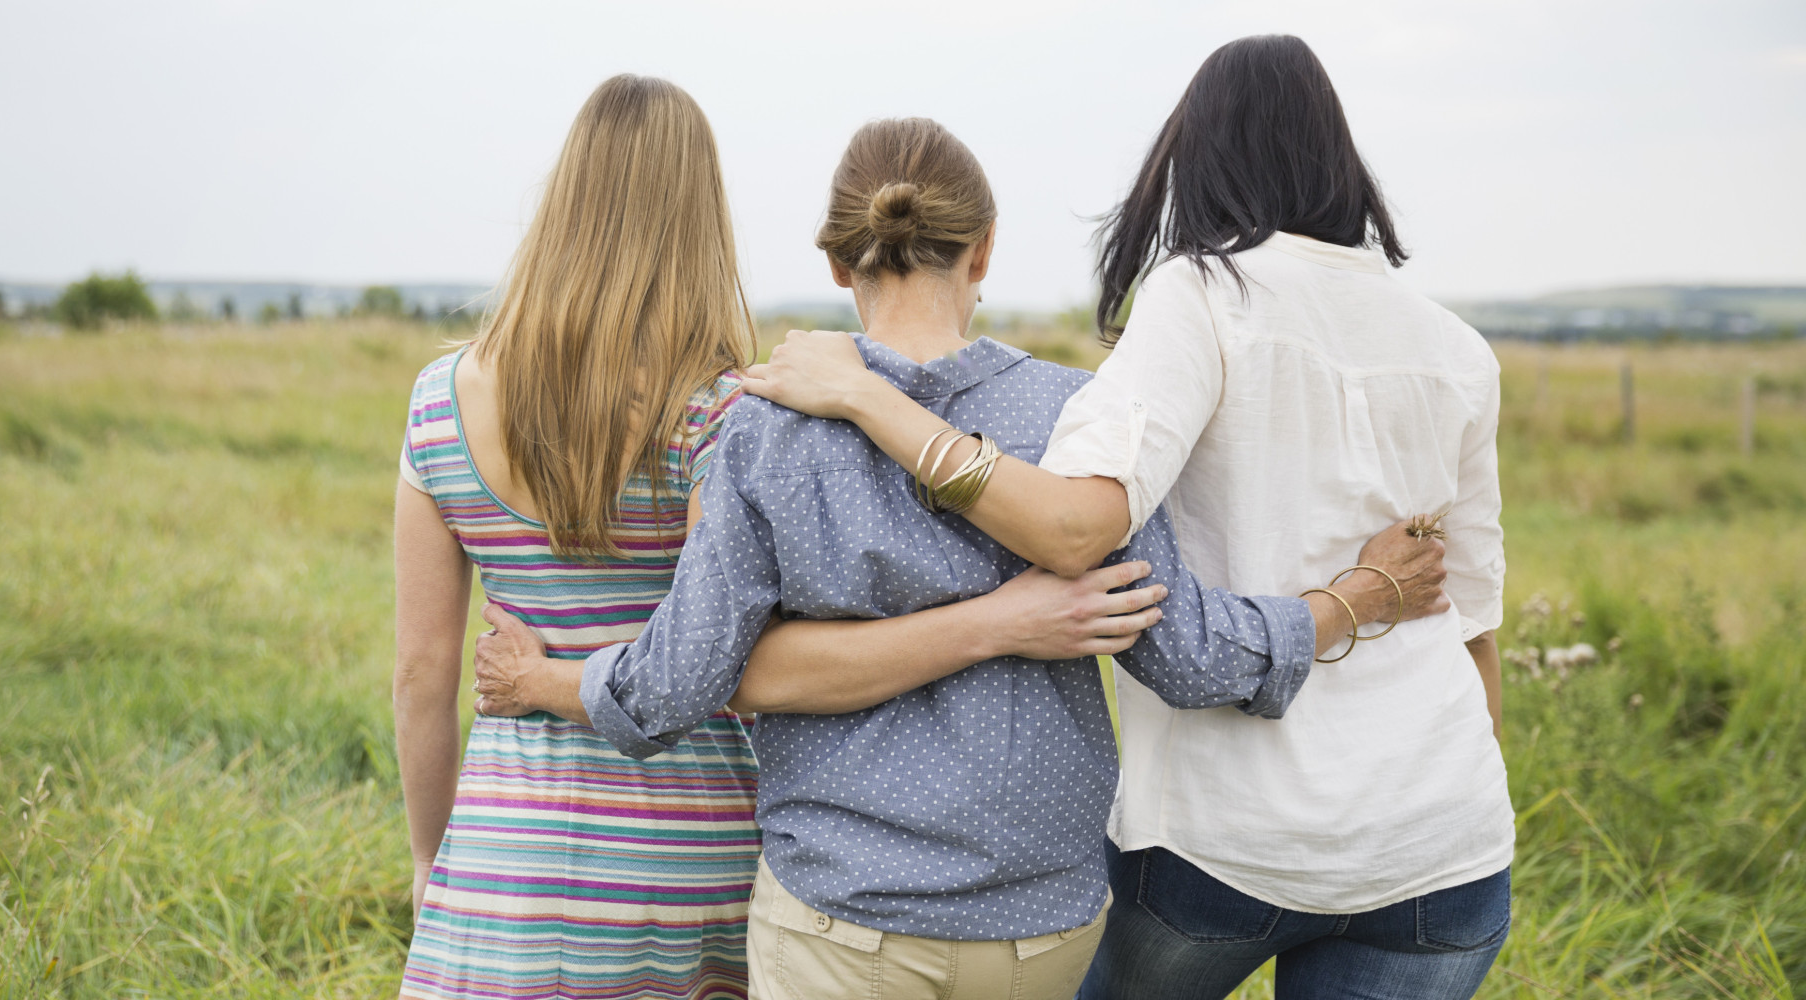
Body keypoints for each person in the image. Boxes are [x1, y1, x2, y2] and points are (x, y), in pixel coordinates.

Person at [471, 115, 1449, 1000]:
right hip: (1036, 926)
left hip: (834, 920)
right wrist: (1353, 600)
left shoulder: (763, 428)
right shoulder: (1077, 417)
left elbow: (678, 681)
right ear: (981, 251)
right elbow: (1188, 653)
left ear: (835, 259)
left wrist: (538, 677)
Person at [740, 36, 1514, 1000]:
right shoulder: (1458, 348)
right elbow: (1473, 619)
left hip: (1233, 838)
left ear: (1195, 161)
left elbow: (1076, 530)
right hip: (1446, 843)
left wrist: (871, 400)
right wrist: (1441, 787)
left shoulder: (1205, 294)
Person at [390, 75, 767, 1000]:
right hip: (694, 852)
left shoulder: (441, 399)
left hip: (501, 853)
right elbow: (727, 653)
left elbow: (421, 670)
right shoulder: (716, 411)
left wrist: (432, 856)